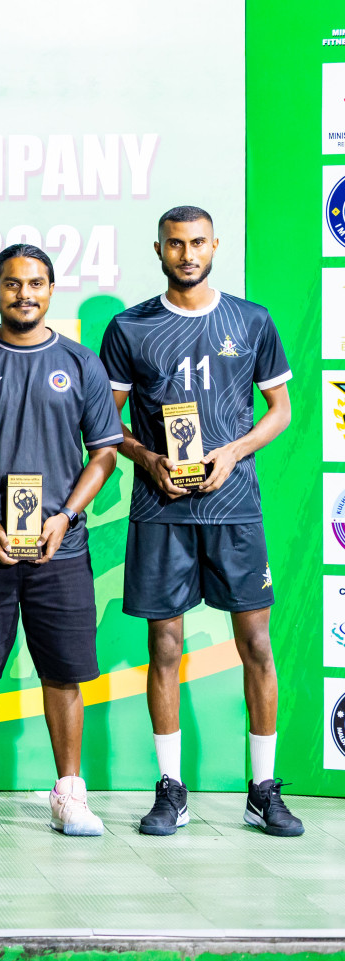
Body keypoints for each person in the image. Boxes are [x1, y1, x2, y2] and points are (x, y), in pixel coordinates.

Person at [100, 205, 299, 837]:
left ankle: (262, 789)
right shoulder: (130, 328)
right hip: (162, 509)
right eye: (175, 244)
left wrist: (235, 450)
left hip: (235, 507)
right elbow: (106, 426)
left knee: (257, 647)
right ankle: (170, 790)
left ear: (216, 245)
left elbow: (280, 411)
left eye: (197, 243)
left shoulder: (251, 320)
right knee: (164, 647)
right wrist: (150, 458)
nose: (187, 254)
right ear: (157, 249)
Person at [0, 243, 121, 837]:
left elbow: (105, 454)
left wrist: (65, 515)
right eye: (13, 284)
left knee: (64, 673)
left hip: (61, 545)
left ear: (51, 291)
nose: (25, 293)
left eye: (36, 283)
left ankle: (69, 792)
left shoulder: (82, 363)